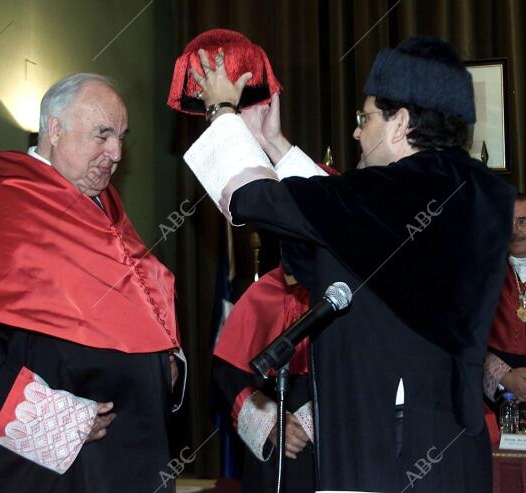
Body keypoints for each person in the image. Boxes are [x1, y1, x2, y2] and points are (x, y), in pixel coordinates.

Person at [181, 36, 515, 492]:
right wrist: (272, 142)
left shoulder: (401, 192)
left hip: (390, 452)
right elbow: (344, 231)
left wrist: (221, 111)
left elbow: (255, 201)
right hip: (447, 452)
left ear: (400, 123)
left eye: (366, 118)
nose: (357, 132)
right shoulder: (465, 190)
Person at [0, 73, 185, 493]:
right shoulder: (7, 203)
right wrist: (59, 421)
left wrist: (162, 360)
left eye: (121, 137)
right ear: (55, 129)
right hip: (42, 470)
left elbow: (141, 305)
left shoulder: (107, 210)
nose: (115, 153)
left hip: (122, 458)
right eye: (103, 134)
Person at [213, 265, 315, 492]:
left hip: (335, 450)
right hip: (272, 451)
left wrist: (316, 417)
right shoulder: (265, 291)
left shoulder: (355, 289)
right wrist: (270, 421)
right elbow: (229, 370)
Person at [484, 194, 526, 405]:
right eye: (507, 222)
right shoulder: (484, 275)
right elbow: (469, 340)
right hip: (500, 389)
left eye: (523, 221)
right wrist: (506, 378)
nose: (515, 231)